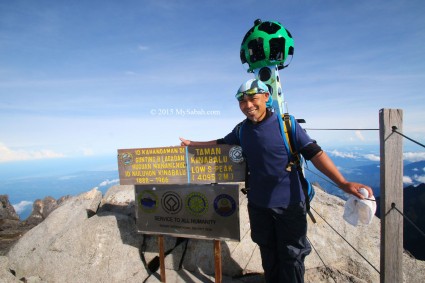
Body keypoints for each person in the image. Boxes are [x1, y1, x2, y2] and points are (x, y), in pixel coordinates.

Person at [180, 79, 373, 283]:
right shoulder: (241, 130)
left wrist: (343, 183)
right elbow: (221, 143)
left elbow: (315, 153)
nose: (248, 105)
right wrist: (193, 144)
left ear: (266, 97)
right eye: (242, 101)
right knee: (267, 249)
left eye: (253, 99)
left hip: (290, 204)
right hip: (258, 204)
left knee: (292, 254)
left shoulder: (287, 125)